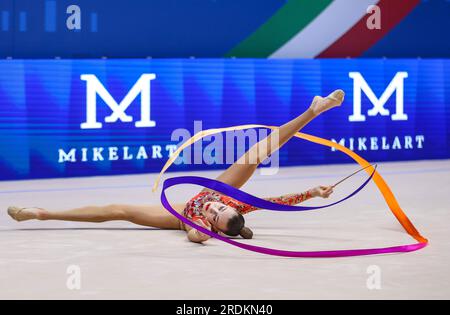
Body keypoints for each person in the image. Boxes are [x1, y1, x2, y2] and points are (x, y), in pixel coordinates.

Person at [7, 90, 344, 243]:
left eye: (215, 213)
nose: (214, 207)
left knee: (117, 210)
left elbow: (197, 236)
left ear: (213, 223)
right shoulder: (228, 203)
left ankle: (42, 213)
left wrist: (204, 228)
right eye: (218, 208)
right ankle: (313, 111)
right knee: (254, 155)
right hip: (214, 205)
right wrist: (313, 191)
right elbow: (274, 202)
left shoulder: (200, 222)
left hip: (177, 213)